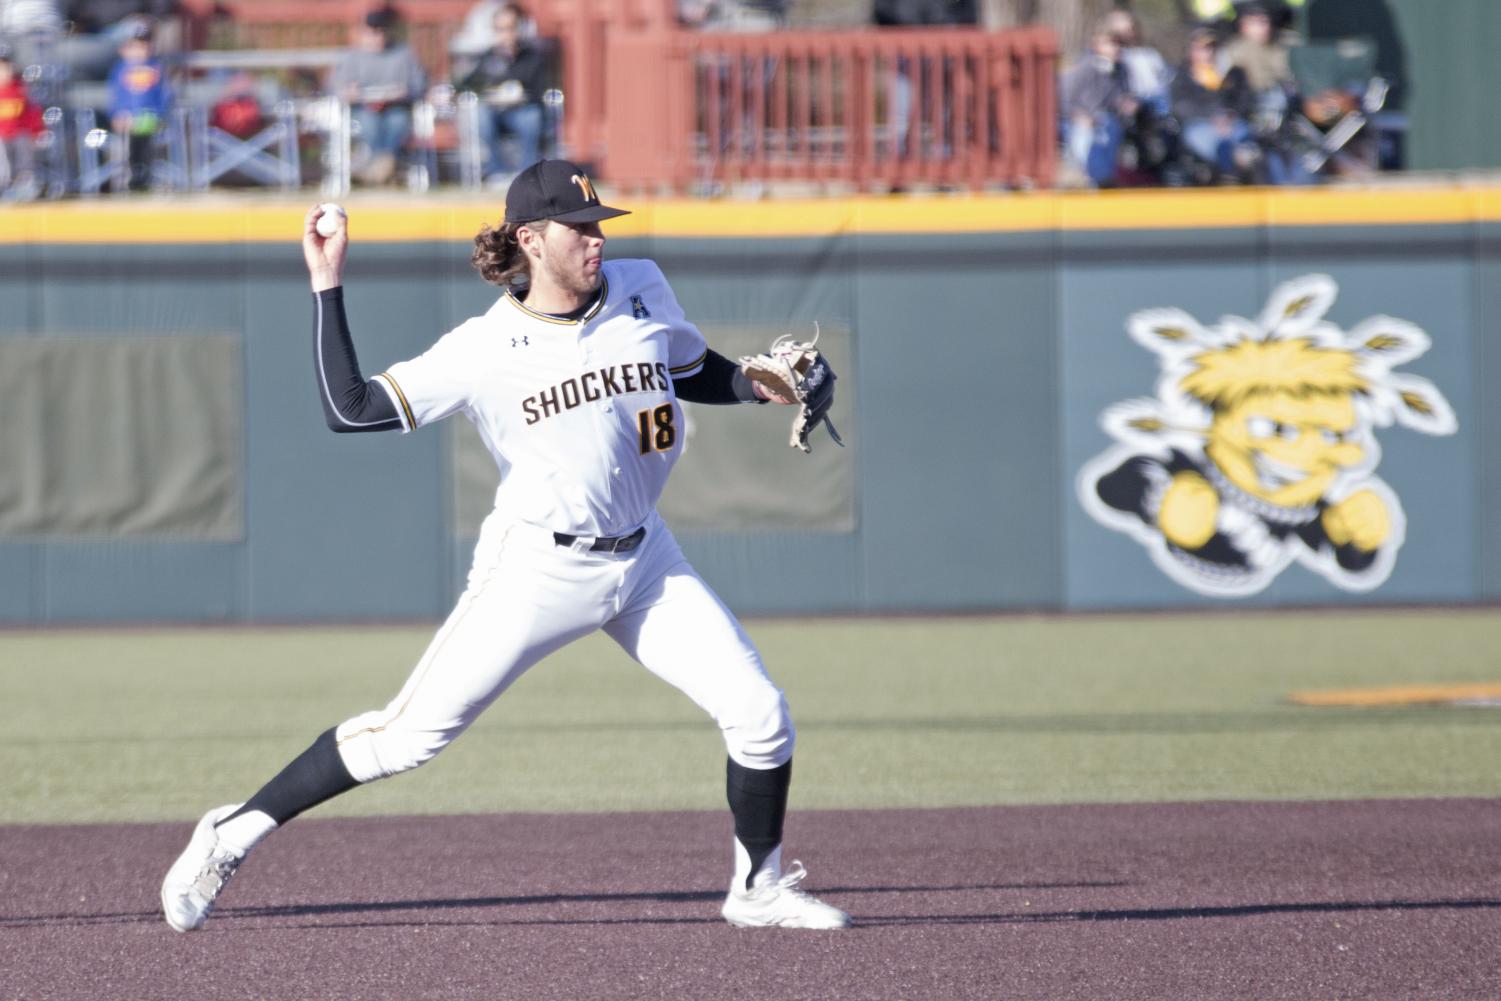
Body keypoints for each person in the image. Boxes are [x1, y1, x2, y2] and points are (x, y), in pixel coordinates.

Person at [160, 158, 852, 934]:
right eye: (579, 229)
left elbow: (689, 368)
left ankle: (756, 886)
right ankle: (231, 832)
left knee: (760, 713)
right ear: (530, 239)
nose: (596, 240)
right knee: (406, 738)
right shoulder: (483, 348)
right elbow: (350, 409)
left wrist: (759, 384)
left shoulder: (641, 285)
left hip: (645, 559)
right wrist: (327, 284)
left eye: (598, 225)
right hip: (537, 567)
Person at [329, 6, 426, 186]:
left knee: (397, 122)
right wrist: (347, 92)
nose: (377, 37)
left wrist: (405, 92)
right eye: (372, 32)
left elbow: (419, 85)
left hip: (397, 107)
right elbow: (335, 87)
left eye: (381, 32)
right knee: (370, 123)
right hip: (363, 109)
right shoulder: (351, 57)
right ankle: (385, 165)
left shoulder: (403, 54)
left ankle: (377, 168)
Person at [456, 2, 549, 184]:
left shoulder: (532, 57)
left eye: (510, 28)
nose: (505, 34)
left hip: (522, 111)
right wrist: (491, 93)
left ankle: (528, 174)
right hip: (496, 114)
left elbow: (539, 91)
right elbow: (467, 85)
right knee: (481, 115)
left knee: (532, 117)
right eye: (500, 29)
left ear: (520, 28)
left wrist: (520, 94)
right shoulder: (488, 57)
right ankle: (496, 172)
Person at [1218, 1, 1310, 184]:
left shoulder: (1288, 44)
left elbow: (1299, 80)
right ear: (1242, 24)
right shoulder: (1233, 51)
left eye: (1264, 21)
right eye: (1254, 21)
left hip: (1288, 117)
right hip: (1247, 116)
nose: (1262, 27)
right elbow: (1227, 92)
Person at [1169, 28, 1253, 182]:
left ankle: (1238, 168)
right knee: (1211, 141)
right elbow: (1180, 106)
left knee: (1244, 135)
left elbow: (1245, 101)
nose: (1207, 53)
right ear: (1190, 51)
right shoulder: (1182, 76)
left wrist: (1229, 115)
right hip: (1200, 125)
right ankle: (1230, 171)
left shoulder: (1234, 74)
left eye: (1211, 47)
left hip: (1232, 123)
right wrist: (1213, 117)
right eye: (1201, 48)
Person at [1060, 26, 1134, 188]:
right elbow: (1064, 99)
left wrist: (1126, 104)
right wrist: (1079, 116)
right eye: (1109, 44)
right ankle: (1084, 176)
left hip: (1107, 119)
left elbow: (1121, 98)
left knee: (1113, 128)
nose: (1114, 49)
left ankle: (1106, 178)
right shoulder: (1085, 67)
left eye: (1117, 45)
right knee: (1085, 135)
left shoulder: (1121, 70)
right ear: (1097, 46)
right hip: (1078, 120)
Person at [105, 18, 169, 191]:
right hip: (127, 118)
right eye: (134, 46)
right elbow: (116, 96)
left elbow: (164, 95)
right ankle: (131, 176)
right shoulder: (119, 70)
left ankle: (146, 174)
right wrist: (116, 114)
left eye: (143, 46)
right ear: (123, 49)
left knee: (146, 142)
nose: (139, 51)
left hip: (150, 118)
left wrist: (160, 115)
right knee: (128, 145)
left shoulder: (157, 69)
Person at [0, 46, 44, 199]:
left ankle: (24, 187)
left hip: (19, 134)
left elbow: (32, 113)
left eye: (6, 68)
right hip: (2, 136)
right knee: (4, 163)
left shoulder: (20, 89)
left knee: (24, 160)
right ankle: (6, 187)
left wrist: (37, 131)